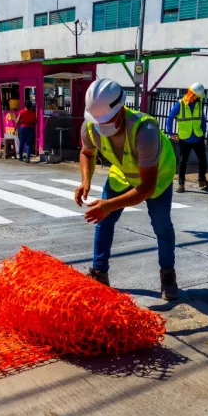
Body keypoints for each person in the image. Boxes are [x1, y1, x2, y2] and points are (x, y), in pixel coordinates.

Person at [75, 78, 179, 301]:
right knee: (104, 222)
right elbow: (87, 153)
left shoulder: (145, 130)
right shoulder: (90, 126)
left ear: (121, 107)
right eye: (97, 120)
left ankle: (168, 276)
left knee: (162, 227)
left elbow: (146, 188)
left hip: (156, 178)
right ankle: (99, 273)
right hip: (123, 173)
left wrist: (109, 205)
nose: (101, 126)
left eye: (106, 120)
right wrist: (86, 180)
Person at [166, 82, 208, 193]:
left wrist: (203, 130)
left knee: (202, 160)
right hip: (185, 137)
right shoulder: (180, 104)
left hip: (198, 136)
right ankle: (181, 184)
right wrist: (170, 133)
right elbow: (170, 117)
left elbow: (202, 117)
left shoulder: (199, 103)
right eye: (197, 96)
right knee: (183, 161)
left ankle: (202, 180)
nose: (199, 98)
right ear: (192, 95)